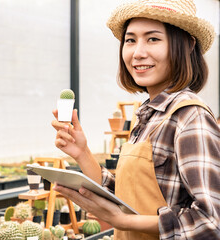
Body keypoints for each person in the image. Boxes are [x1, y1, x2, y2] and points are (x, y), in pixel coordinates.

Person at [51, 0, 220, 239]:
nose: (138, 52)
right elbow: (127, 196)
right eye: (130, 40)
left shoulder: (189, 117)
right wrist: (81, 152)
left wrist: (124, 220)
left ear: (188, 45)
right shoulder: (150, 114)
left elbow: (211, 223)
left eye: (153, 39)